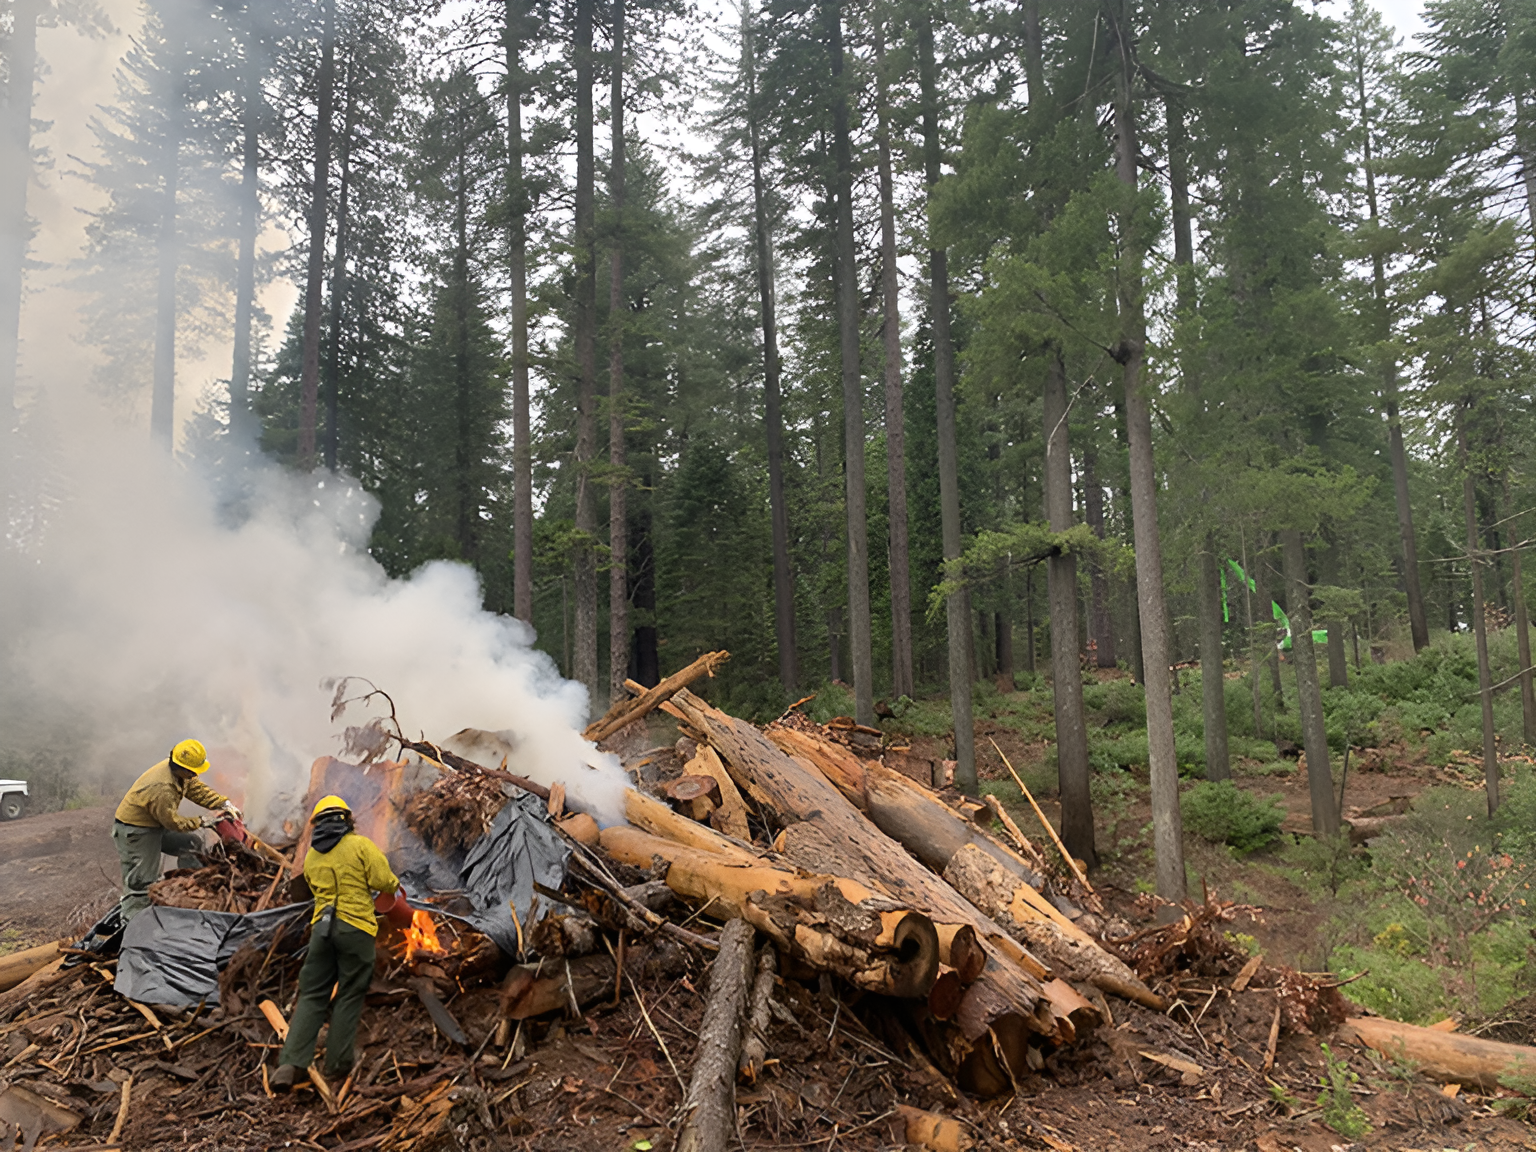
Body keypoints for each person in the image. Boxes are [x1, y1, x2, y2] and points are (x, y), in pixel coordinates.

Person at [273, 795, 401, 1088]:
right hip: (355, 929)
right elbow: (386, 881)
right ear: (347, 820)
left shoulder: (313, 856)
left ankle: (291, 1064)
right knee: (349, 992)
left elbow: (308, 890)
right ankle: (338, 1063)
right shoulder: (360, 846)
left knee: (312, 995)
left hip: (321, 932)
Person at [113, 739, 240, 923]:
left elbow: (197, 790)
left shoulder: (179, 771)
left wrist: (223, 803)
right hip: (137, 831)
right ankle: (133, 924)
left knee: (190, 844)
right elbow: (173, 822)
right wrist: (201, 821)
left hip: (155, 824)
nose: (195, 774)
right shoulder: (163, 788)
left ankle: (193, 888)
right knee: (142, 881)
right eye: (193, 771)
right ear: (182, 768)